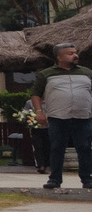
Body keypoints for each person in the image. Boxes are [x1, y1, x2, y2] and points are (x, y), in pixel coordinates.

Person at [33, 39, 92, 190]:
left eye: (75, 52)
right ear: (59, 57)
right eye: (70, 53)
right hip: (58, 117)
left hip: (83, 117)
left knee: (85, 148)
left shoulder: (87, 72)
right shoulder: (46, 74)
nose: (75, 55)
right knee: (57, 148)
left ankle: (87, 179)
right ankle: (55, 179)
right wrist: (39, 112)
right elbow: (35, 94)